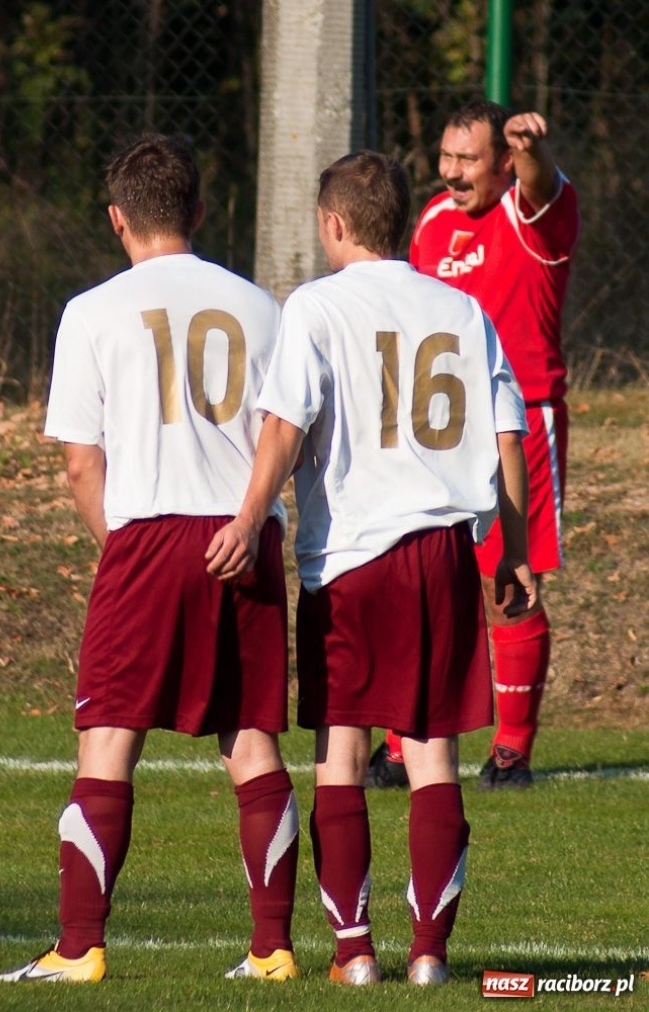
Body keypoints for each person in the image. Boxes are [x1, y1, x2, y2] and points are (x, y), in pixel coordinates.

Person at [205, 151, 537, 985]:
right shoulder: (462, 310)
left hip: (352, 556)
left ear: (333, 225)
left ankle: (354, 953)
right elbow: (506, 437)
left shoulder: (315, 306)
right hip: (442, 553)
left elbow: (284, 425)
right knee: (431, 754)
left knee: (341, 751)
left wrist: (248, 516)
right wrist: (518, 551)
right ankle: (429, 954)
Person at [0, 134, 299, 985]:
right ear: (200, 211)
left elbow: (81, 461)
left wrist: (120, 550)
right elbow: (288, 438)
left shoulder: (91, 311)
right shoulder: (262, 307)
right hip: (246, 534)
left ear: (116, 218)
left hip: (146, 536)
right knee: (251, 744)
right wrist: (252, 521)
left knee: (107, 742)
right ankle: (271, 950)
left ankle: (78, 946)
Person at [373, 100, 580, 790]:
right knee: (424, 577)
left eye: (469, 160)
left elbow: (544, 185)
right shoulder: (431, 222)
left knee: (508, 586)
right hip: (442, 425)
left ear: (501, 163)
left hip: (523, 420)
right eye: (446, 157)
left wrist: (533, 153)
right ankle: (403, 743)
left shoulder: (532, 214)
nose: (453, 174)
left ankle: (510, 750)